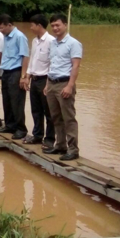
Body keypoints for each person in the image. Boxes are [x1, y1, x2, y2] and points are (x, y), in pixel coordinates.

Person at [43, 13, 82, 161]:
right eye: (52, 25)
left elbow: (76, 66)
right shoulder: (52, 43)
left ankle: (73, 149)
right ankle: (60, 145)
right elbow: (52, 64)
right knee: (56, 117)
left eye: (58, 25)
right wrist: (47, 84)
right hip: (52, 83)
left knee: (69, 118)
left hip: (64, 84)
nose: (55, 28)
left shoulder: (73, 43)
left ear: (65, 25)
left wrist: (70, 86)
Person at [22, 14, 55, 148]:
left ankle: (50, 139)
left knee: (49, 111)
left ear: (39, 26)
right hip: (34, 78)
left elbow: (53, 63)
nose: (30, 28)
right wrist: (27, 76)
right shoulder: (35, 41)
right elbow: (32, 59)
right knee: (36, 110)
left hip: (45, 79)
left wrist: (48, 83)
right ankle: (37, 135)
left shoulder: (51, 41)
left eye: (32, 25)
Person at [0, 14, 29, 140]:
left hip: (16, 71)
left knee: (17, 102)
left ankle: (21, 129)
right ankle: (10, 125)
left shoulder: (19, 37)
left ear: (9, 25)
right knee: (7, 100)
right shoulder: (5, 37)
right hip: (6, 71)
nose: (1, 30)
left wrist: (23, 76)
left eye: (2, 28)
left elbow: (25, 56)